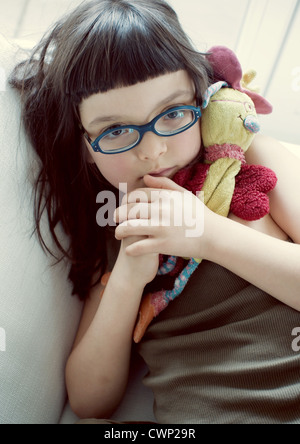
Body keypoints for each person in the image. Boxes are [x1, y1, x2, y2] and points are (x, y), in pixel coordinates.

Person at [10, 0, 300, 424]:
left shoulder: (246, 155)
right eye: (117, 130)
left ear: (202, 100)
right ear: (85, 147)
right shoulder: (116, 230)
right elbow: (91, 402)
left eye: (174, 114)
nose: (153, 149)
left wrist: (207, 235)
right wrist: (128, 279)